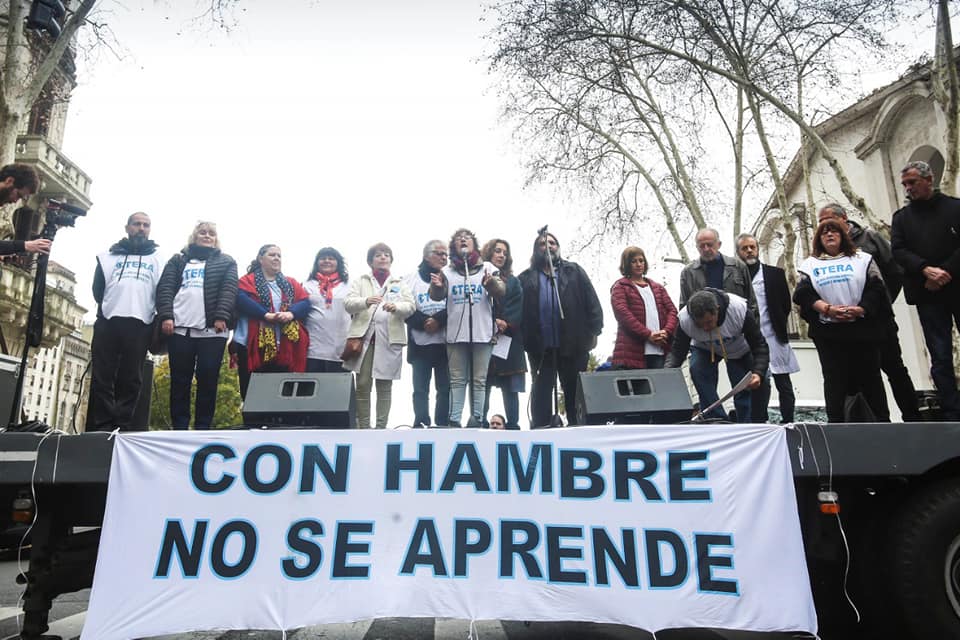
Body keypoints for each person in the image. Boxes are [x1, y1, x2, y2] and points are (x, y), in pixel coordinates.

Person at [819, 203, 919, 421]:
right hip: (851, 329)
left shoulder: (870, 239)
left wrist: (879, 302)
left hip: (880, 322)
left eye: (829, 221)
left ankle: (912, 417)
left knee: (894, 369)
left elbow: (895, 270)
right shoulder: (822, 254)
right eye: (820, 223)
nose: (825, 227)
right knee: (865, 377)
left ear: (844, 219)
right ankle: (873, 421)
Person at [794, 219, 892, 423]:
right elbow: (802, 293)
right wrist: (826, 308)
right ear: (819, 240)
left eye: (834, 232)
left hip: (862, 330)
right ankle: (836, 424)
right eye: (824, 233)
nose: (829, 235)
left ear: (843, 236)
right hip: (829, 334)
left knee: (871, 379)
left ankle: (881, 422)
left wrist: (861, 308)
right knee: (834, 381)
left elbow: (877, 288)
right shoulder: (810, 265)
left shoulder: (863, 259)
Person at [891, 160, 960, 421]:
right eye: (905, 185)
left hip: (956, 286)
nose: (908, 188)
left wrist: (946, 272)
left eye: (912, 182)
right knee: (940, 355)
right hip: (928, 293)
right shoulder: (901, 219)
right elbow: (898, 251)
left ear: (929, 180)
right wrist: (925, 270)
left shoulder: (955, 208)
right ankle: (953, 412)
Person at [155, 222, 237, 430]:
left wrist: (221, 316)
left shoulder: (226, 262)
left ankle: (203, 427)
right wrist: (166, 316)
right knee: (180, 380)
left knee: (208, 379)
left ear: (216, 238)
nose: (207, 236)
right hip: (180, 328)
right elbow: (165, 288)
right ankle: (179, 427)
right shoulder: (178, 260)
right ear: (194, 236)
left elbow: (229, 290)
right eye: (202, 232)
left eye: (211, 233)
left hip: (213, 331)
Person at [518, 231, 603, 427]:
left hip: (573, 344)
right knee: (541, 391)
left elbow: (592, 301)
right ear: (535, 250)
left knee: (574, 390)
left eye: (552, 242)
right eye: (542, 244)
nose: (548, 246)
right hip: (540, 347)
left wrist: (594, 330)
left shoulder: (574, 271)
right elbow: (519, 312)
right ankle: (542, 430)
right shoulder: (526, 278)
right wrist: (525, 339)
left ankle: (576, 428)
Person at [89, 212, 162, 430]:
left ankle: (123, 423)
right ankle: (103, 424)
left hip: (141, 322)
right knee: (103, 375)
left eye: (146, 225)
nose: (141, 228)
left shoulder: (160, 258)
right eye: (137, 224)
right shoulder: (107, 256)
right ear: (127, 227)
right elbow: (97, 289)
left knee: (131, 376)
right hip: (109, 320)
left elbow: (163, 291)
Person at [429, 229, 505, 427]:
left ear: (474, 244)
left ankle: (477, 420)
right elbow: (437, 296)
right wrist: (437, 287)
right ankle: (454, 421)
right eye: (458, 239)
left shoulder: (487, 267)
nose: (463, 240)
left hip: (482, 332)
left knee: (479, 380)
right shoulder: (447, 271)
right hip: (455, 333)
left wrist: (491, 284)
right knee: (457, 380)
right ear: (454, 245)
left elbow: (501, 291)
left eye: (467, 238)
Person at [665, 288, 768, 422]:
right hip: (705, 348)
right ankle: (716, 419)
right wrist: (666, 373)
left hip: (739, 350)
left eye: (708, 322)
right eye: (699, 324)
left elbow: (759, 345)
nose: (706, 328)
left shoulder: (738, 310)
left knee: (746, 385)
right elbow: (677, 351)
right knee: (697, 369)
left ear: (717, 310)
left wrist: (758, 373)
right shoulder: (685, 320)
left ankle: (747, 423)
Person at [344, 243, 414, 428]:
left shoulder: (399, 283)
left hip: (390, 340)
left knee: (385, 386)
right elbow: (348, 303)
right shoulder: (361, 281)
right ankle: (364, 427)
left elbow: (411, 306)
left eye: (386, 255)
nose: (383, 257)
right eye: (378, 255)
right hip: (364, 340)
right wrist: (365, 301)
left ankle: (381, 427)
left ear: (391, 260)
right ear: (370, 261)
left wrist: (396, 307)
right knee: (363, 383)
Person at [735, 233, 800, 423]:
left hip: (775, 336)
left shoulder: (774, 274)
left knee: (784, 383)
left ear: (757, 248)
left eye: (752, 247)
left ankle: (788, 421)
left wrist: (777, 323)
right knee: (759, 384)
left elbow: (785, 304)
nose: (749, 251)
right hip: (750, 340)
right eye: (744, 248)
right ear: (738, 252)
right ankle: (759, 423)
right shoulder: (736, 277)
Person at [234, 244, 310, 399]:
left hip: (284, 346)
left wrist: (291, 313)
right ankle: (253, 423)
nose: (276, 258)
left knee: (281, 392)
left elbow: (305, 302)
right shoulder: (247, 281)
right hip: (253, 345)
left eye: (279, 255)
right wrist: (264, 315)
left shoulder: (290, 283)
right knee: (252, 392)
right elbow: (240, 299)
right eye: (272, 255)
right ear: (261, 259)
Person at [480, 238, 526, 428]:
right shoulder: (477, 276)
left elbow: (518, 304)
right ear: (489, 252)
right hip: (484, 339)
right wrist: (491, 322)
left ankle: (514, 425)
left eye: (504, 253)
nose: (501, 255)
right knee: (482, 387)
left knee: (511, 389)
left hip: (509, 341)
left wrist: (505, 322)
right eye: (497, 251)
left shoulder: (514, 282)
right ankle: (479, 422)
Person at [403, 240, 450, 427]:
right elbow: (404, 308)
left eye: (445, 254)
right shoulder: (409, 279)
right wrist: (424, 322)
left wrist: (438, 319)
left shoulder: (451, 277)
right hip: (419, 343)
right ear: (426, 255)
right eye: (439, 253)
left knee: (445, 388)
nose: (443, 257)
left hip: (445, 342)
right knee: (420, 389)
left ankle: (442, 423)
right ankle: (421, 422)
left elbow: (457, 306)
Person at [610, 246, 677, 370]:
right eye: (633, 261)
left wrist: (666, 332)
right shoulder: (620, 287)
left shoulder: (658, 288)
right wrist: (648, 335)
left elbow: (672, 311)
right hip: (632, 352)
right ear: (626, 264)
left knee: (660, 388)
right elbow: (623, 314)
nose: (638, 264)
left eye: (641, 260)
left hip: (659, 350)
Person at [679, 227, 757, 313]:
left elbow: (751, 302)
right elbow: (684, 309)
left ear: (719, 244)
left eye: (709, 245)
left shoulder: (738, 267)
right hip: (704, 325)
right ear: (697, 247)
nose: (706, 249)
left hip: (737, 322)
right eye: (702, 246)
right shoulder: (688, 273)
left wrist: (752, 325)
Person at [303, 247, 351, 373]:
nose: (327, 261)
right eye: (323, 258)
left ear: (338, 263)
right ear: (317, 263)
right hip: (313, 348)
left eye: (331, 258)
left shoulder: (349, 286)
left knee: (337, 390)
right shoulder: (307, 285)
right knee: (311, 389)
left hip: (340, 346)